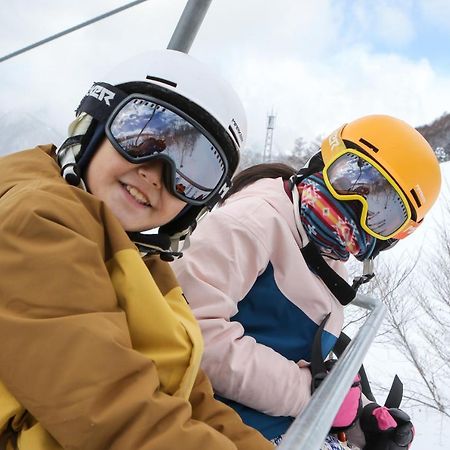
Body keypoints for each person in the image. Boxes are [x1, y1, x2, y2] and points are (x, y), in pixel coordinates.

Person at [0, 49, 274, 450]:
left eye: (193, 171)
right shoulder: (37, 220)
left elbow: (194, 399)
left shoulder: (144, 262)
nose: (156, 173)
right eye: (142, 135)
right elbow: (111, 412)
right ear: (95, 126)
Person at [172, 114, 442, 447]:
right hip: (212, 428)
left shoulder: (326, 256)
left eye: (381, 211)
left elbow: (297, 361)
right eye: (352, 177)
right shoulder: (250, 223)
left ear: (389, 238)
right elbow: (193, 335)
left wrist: (359, 416)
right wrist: (315, 399)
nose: (354, 206)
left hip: (275, 427)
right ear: (323, 160)